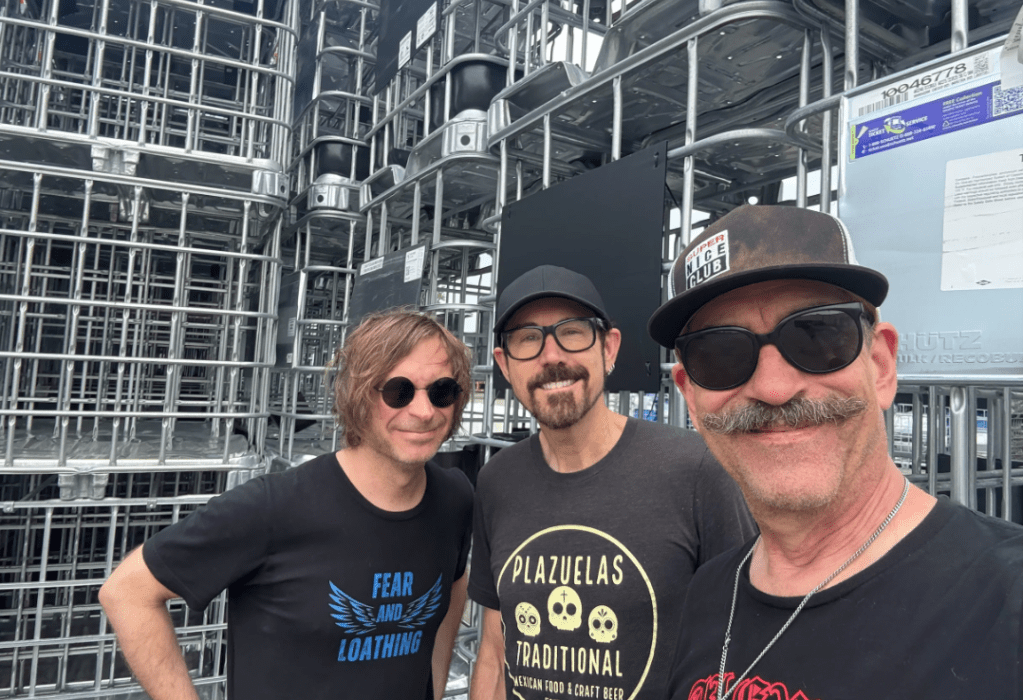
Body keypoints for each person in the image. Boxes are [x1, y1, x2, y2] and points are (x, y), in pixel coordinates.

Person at [647, 204, 1023, 700]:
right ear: (690, 399)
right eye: (720, 354)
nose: (775, 388)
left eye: (818, 334)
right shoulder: (709, 592)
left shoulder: (1007, 602)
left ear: (882, 366)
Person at [99, 309, 475, 700]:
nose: (424, 411)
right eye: (399, 391)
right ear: (358, 395)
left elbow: (453, 585)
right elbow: (128, 592)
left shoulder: (454, 499)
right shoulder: (273, 507)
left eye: (441, 391)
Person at [469, 265, 755, 700]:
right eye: (527, 338)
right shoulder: (495, 482)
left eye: (573, 332)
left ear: (609, 348)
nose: (551, 356)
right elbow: (494, 651)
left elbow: (745, 646)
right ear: (505, 366)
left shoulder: (696, 470)